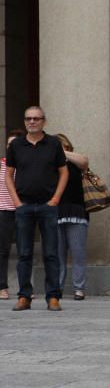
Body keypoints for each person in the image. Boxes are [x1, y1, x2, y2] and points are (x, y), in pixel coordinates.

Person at [7, 107, 68, 311]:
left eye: (36, 118)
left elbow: (64, 172)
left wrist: (56, 198)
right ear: (25, 122)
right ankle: (24, 296)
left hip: (47, 206)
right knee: (24, 253)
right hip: (24, 206)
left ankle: (53, 297)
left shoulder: (53, 144)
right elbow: (8, 175)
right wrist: (16, 202)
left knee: (51, 253)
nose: (32, 122)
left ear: (44, 121)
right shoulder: (16, 145)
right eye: (29, 119)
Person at [54, 135, 89, 301]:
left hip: (76, 212)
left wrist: (61, 151)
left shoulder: (76, 161)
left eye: (62, 145)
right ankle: (57, 288)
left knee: (78, 253)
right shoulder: (49, 164)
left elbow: (84, 161)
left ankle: (79, 289)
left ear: (68, 146)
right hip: (55, 212)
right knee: (57, 255)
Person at [0, 129, 24, 301]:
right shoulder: (1, 164)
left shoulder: (27, 165)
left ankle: (25, 289)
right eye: (9, 144)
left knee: (25, 251)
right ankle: (2, 287)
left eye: (14, 143)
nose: (11, 146)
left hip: (24, 212)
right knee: (2, 251)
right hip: (3, 212)